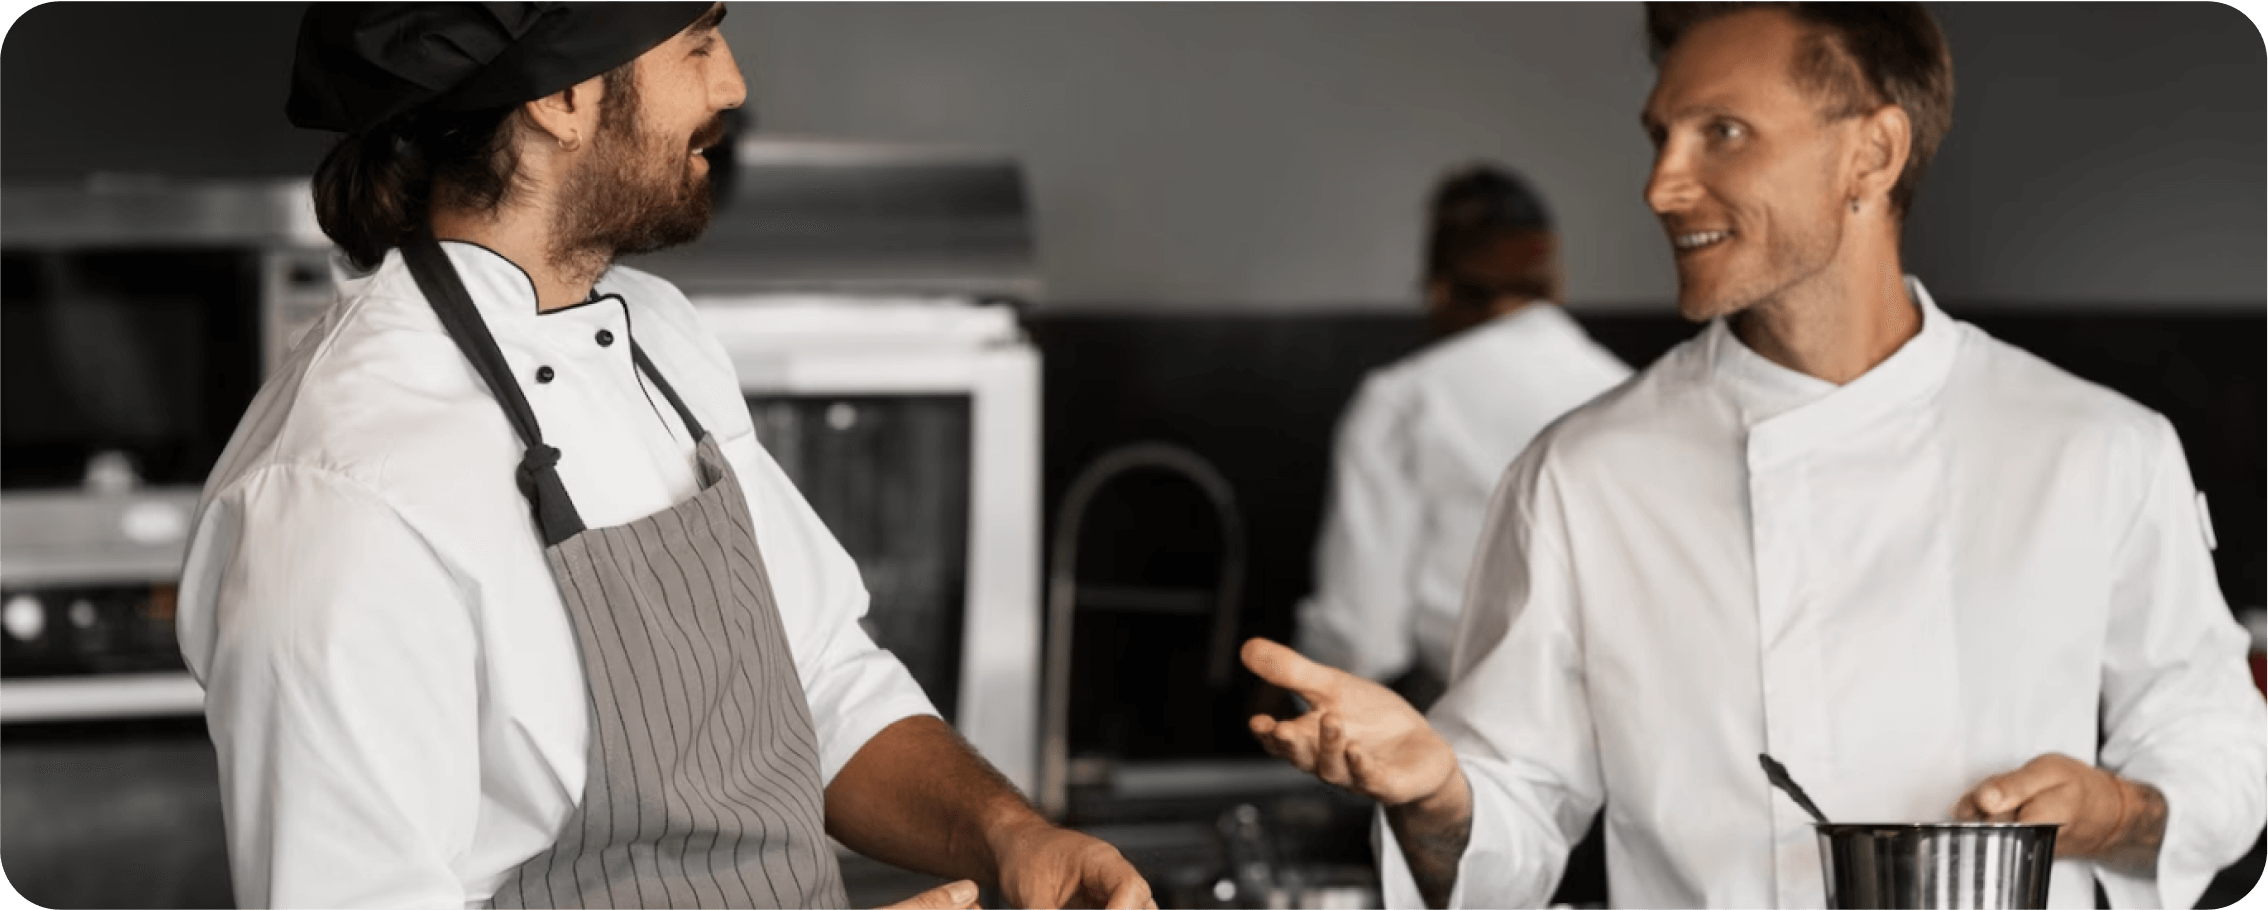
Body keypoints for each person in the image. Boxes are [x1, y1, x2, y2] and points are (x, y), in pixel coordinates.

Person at [1241, 4, 2268, 909]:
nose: (1659, 184)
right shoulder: (1582, 474)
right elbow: (1507, 826)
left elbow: (2221, 748)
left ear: (1871, 154)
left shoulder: (2100, 448)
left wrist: (2114, 808)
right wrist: (1437, 792)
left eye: (1721, 133)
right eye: (1660, 135)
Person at [173, 5, 1151, 909]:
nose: (730, 84)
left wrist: (1008, 835)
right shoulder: (337, 499)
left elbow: (818, 679)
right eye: (697, 39)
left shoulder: (658, 336)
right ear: (561, 98)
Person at [1293, 165, 1630, 706]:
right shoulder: (1626, 392)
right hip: (1621, 729)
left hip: (1471, 734)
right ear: (1554, 275)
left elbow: (1363, 638)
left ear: (1440, 285)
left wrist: (1297, 695)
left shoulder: (1404, 400)